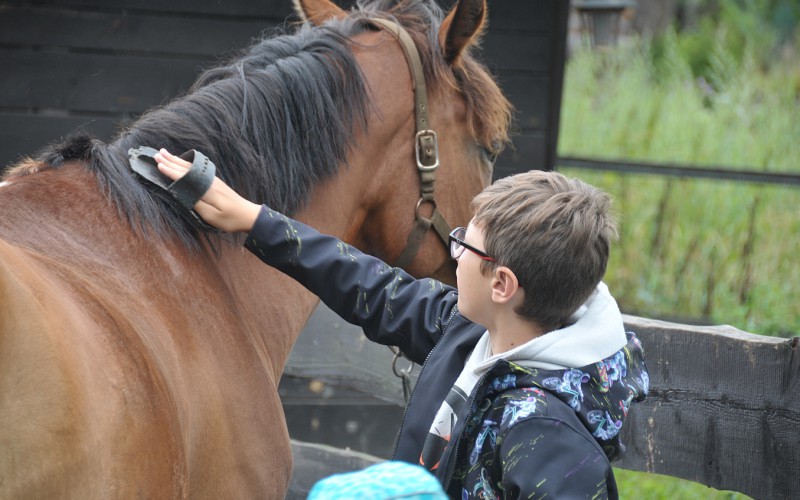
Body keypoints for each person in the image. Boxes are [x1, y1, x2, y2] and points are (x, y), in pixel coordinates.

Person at [155, 148, 649, 499]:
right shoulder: (473, 331)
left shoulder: (550, 440)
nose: (455, 254)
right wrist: (254, 220)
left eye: (465, 245)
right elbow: (371, 287)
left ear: (502, 284)